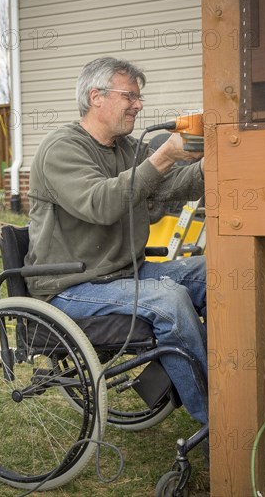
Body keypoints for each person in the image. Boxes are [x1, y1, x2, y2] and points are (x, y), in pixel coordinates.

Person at [25, 57, 208, 424]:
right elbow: (102, 204)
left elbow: (169, 186)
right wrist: (164, 155)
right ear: (97, 96)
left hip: (123, 274)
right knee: (168, 300)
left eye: (138, 98)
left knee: (212, 272)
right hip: (71, 285)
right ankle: (220, 426)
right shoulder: (60, 148)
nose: (138, 105)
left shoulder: (126, 148)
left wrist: (212, 161)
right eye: (131, 96)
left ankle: (226, 382)